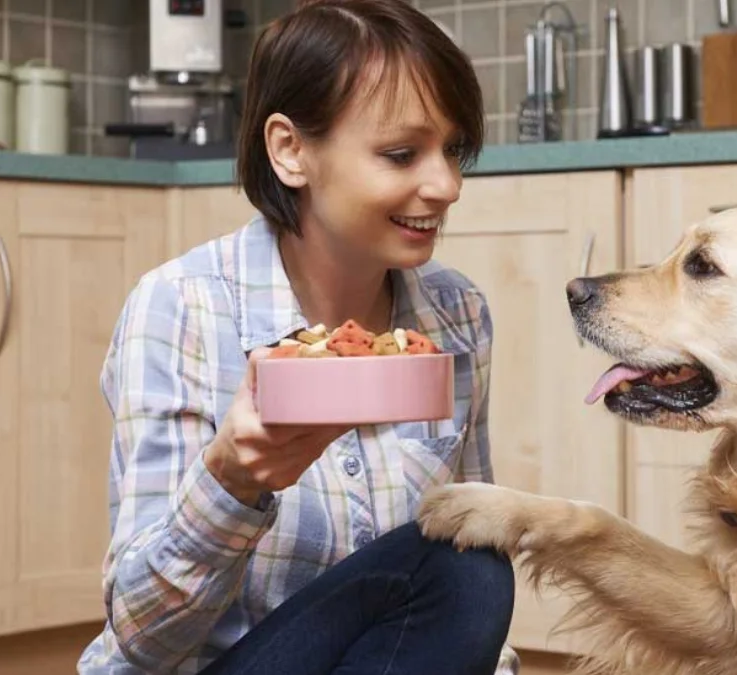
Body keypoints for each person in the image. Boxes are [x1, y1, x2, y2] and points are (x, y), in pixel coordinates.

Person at [76, 1, 519, 673]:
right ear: (289, 150)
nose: (447, 184)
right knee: (465, 567)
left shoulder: (457, 315)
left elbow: (448, 606)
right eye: (402, 153)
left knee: (472, 555)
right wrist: (231, 482)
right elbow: (143, 640)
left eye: (453, 150)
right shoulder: (184, 309)